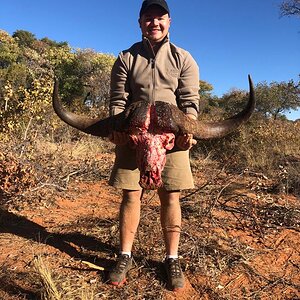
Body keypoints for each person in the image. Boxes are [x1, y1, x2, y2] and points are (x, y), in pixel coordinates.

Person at [108, 0, 200, 292]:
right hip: (133, 133)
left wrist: (189, 129)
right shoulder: (126, 57)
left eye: (160, 18)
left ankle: (171, 258)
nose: (154, 23)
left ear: (169, 22)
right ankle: (125, 255)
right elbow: (117, 100)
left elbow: (190, 102)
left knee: (171, 197)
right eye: (148, 18)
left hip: (171, 138)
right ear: (140, 23)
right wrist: (116, 128)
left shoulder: (183, 58)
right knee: (130, 195)